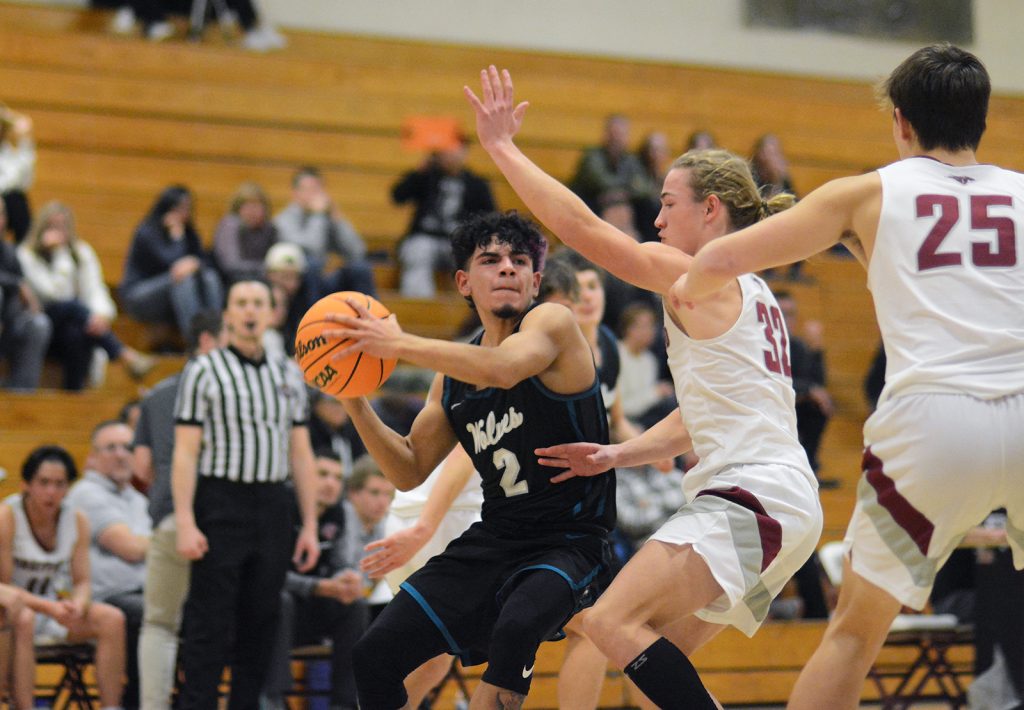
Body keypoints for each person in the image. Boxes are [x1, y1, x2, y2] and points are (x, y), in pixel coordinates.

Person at [678, 44, 1024, 710]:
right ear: (982, 118)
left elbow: (720, 259)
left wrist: (685, 298)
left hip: (935, 419)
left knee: (854, 636)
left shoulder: (868, 191)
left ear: (900, 121)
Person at [466, 66, 822, 709]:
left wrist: (503, 150)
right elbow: (700, 415)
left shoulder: (699, 275)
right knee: (652, 650)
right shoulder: (759, 293)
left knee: (607, 622)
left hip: (753, 496)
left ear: (710, 210)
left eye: (667, 203)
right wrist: (613, 456)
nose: (656, 219)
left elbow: (587, 234)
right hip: (785, 501)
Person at [321, 209, 616, 708]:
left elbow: (504, 369)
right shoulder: (453, 376)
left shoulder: (553, 323)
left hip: (569, 540)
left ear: (536, 280)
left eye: (520, 261)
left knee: (518, 626)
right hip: (496, 538)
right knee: (373, 654)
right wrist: (351, 395)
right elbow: (408, 468)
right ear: (463, 281)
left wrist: (399, 343)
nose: (507, 268)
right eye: (491, 259)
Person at [172, 278, 320, 709]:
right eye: (241, 303)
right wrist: (184, 519)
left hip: (274, 505)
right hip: (220, 502)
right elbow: (184, 452)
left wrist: (309, 524)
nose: (250, 311)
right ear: (228, 313)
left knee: (261, 624)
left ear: (273, 313)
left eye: (259, 303)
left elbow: (301, 453)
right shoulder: (203, 370)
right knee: (209, 624)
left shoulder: (288, 374)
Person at [133, 310, 222, 709]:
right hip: (221, 515)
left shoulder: (156, 395)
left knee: (159, 625)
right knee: (216, 624)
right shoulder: (227, 387)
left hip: (169, 515)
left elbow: (140, 467)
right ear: (207, 342)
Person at [262, 453, 393, 710]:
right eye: (323, 474)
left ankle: (345, 703)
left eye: (337, 478)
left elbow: (339, 564)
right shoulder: (282, 508)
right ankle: (273, 698)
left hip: (312, 608)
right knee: (282, 600)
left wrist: (345, 580)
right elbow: (268, 576)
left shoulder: (335, 515)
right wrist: (319, 586)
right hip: (270, 610)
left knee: (354, 606)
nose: (331, 483)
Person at [0, 445, 126, 710]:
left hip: (52, 610)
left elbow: (82, 580)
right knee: (25, 617)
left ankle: (111, 706)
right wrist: (49, 607)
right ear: (26, 484)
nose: (51, 492)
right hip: (15, 611)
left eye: (59, 484)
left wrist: (78, 604)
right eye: (44, 483)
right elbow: (4, 587)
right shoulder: (8, 516)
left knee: (112, 619)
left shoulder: (77, 518)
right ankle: (24, 705)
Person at [359, 445, 482, 709]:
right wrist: (424, 529)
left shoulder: (438, 403)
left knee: (432, 661)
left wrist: (358, 408)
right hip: (451, 518)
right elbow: (465, 448)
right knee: (579, 625)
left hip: (406, 513)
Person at [19, 201, 155, 389]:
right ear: (41, 228)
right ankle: (122, 353)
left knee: (77, 334)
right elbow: (55, 294)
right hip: (43, 326)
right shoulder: (27, 255)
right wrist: (59, 253)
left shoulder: (81, 252)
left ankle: (74, 394)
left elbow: (96, 289)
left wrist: (99, 316)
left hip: (73, 329)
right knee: (70, 307)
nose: (57, 233)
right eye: (52, 227)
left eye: (62, 227)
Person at [66, 420, 151, 710]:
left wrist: (152, 545)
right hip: (104, 601)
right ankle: (137, 702)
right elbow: (129, 547)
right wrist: (159, 544)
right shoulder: (86, 493)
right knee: (149, 616)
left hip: (142, 593)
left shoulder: (137, 499)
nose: (120, 454)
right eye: (110, 448)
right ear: (91, 458)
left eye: (128, 447)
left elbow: (147, 547)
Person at [391, 137, 497, 298]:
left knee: (473, 257)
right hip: (424, 237)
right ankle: (420, 305)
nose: (451, 155)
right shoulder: (426, 177)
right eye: (447, 151)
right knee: (418, 252)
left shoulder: (477, 184)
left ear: (465, 152)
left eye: (456, 150)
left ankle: (471, 303)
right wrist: (419, 171)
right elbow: (398, 196)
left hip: (460, 239)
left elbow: (491, 217)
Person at [119, 185, 224, 345]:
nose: (184, 213)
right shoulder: (147, 231)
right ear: (167, 207)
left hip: (171, 297)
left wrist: (196, 262)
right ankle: (197, 342)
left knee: (210, 277)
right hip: (139, 295)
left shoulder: (189, 232)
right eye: (180, 208)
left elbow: (204, 260)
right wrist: (177, 238)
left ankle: (216, 332)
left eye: (188, 208)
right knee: (183, 280)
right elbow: (174, 266)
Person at [274, 166, 375, 298]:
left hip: (325, 280)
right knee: (312, 266)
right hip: (299, 285)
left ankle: (371, 315)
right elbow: (313, 249)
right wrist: (318, 215)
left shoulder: (327, 217)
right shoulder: (283, 220)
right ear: (295, 193)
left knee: (360, 268)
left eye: (317, 190)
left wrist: (338, 221)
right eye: (308, 190)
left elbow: (357, 250)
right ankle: (313, 317)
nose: (314, 195)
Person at [774, 290, 834, 483]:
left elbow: (817, 384)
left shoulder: (798, 346)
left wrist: (817, 350)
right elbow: (775, 382)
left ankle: (809, 466)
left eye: (790, 314)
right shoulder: (760, 345)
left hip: (794, 405)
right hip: (769, 406)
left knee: (819, 407)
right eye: (781, 313)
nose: (785, 319)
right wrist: (808, 390)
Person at [0, 199, 50, 391]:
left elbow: (25, 293)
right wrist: (16, 284)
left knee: (39, 324)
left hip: (8, 325)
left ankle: (22, 394)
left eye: (2, 214)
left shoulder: (9, 252)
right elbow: (19, 284)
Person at [568, 114, 647, 213]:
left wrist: (624, 194)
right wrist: (627, 187)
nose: (616, 139)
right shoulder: (592, 156)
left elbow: (643, 186)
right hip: (587, 205)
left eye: (621, 135)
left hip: (613, 203)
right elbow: (601, 181)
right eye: (613, 134)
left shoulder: (630, 159)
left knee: (647, 205)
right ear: (605, 135)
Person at [212, 182, 279, 284]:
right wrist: (265, 269)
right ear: (237, 209)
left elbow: (277, 261)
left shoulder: (270, 228)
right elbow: (232, 265)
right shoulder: (230, 225)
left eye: (257, 206)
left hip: (264, 279)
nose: (252, 211)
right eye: (247, 206)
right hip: (233, 280)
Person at [0, 104, 34, 244]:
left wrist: (24, 140)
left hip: (8, 204)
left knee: (18, 200)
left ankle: (24, 249)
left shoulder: (8, 153)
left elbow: (25, 183)